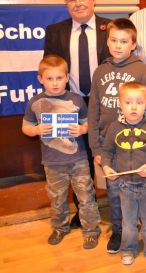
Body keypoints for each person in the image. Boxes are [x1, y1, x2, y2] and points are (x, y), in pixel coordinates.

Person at [87, 18, 146, 254]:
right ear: (107, 41)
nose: (118, 45)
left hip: (141, 146)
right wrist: (96, 149)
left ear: (133, 44)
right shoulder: (100, 71)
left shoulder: (142, 70)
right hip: (111, 147)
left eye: (124, 41)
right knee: (115, 190)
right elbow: (93, 110)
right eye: (114, 40)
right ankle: (119, 230)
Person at [43, 0, 111, 229]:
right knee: (76, 158)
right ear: (66, 5)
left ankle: (115, 209)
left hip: (104, 103)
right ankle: (83, 211)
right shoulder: (55, 31)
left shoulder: (110, 28)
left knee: (105, 154)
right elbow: (49, 67)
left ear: (93, 0)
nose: (78, 3)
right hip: (70, 104)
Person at [22, 55, 101, 249]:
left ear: (67, 77)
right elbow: (26, 127)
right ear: (40, 79)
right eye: (49, 78)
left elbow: (87, 123)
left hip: (79, 159)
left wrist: (82, 129)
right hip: (52, 162)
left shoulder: (76, 100)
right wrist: (36, 130)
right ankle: (60, 227)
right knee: (57, 198)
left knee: (86, 197)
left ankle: (91, 230)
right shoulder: (35, 102)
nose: (55, 83)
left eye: (59, 78)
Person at [100, 82, 146, 267]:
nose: (133, 107)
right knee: (128, 222)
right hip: (125, 185)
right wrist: (107, 167)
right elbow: (106, 152)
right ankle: (128, 249)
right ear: (120, 104)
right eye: (128, 102)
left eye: (139, 102)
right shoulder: (114, 128)